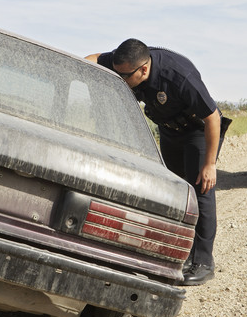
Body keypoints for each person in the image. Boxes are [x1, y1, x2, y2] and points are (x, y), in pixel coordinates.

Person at [86, 39, 230, 286]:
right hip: (169, 131)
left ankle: (204, 262)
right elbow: (91, 59)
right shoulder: (124, 62)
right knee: (174, 192)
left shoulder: (179, 76)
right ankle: (177, 255)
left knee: (200, 191)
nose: (120, 79)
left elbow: (213, 117)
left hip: (198, 132)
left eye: (125, 76)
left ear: (143, 70)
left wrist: (210, 165)